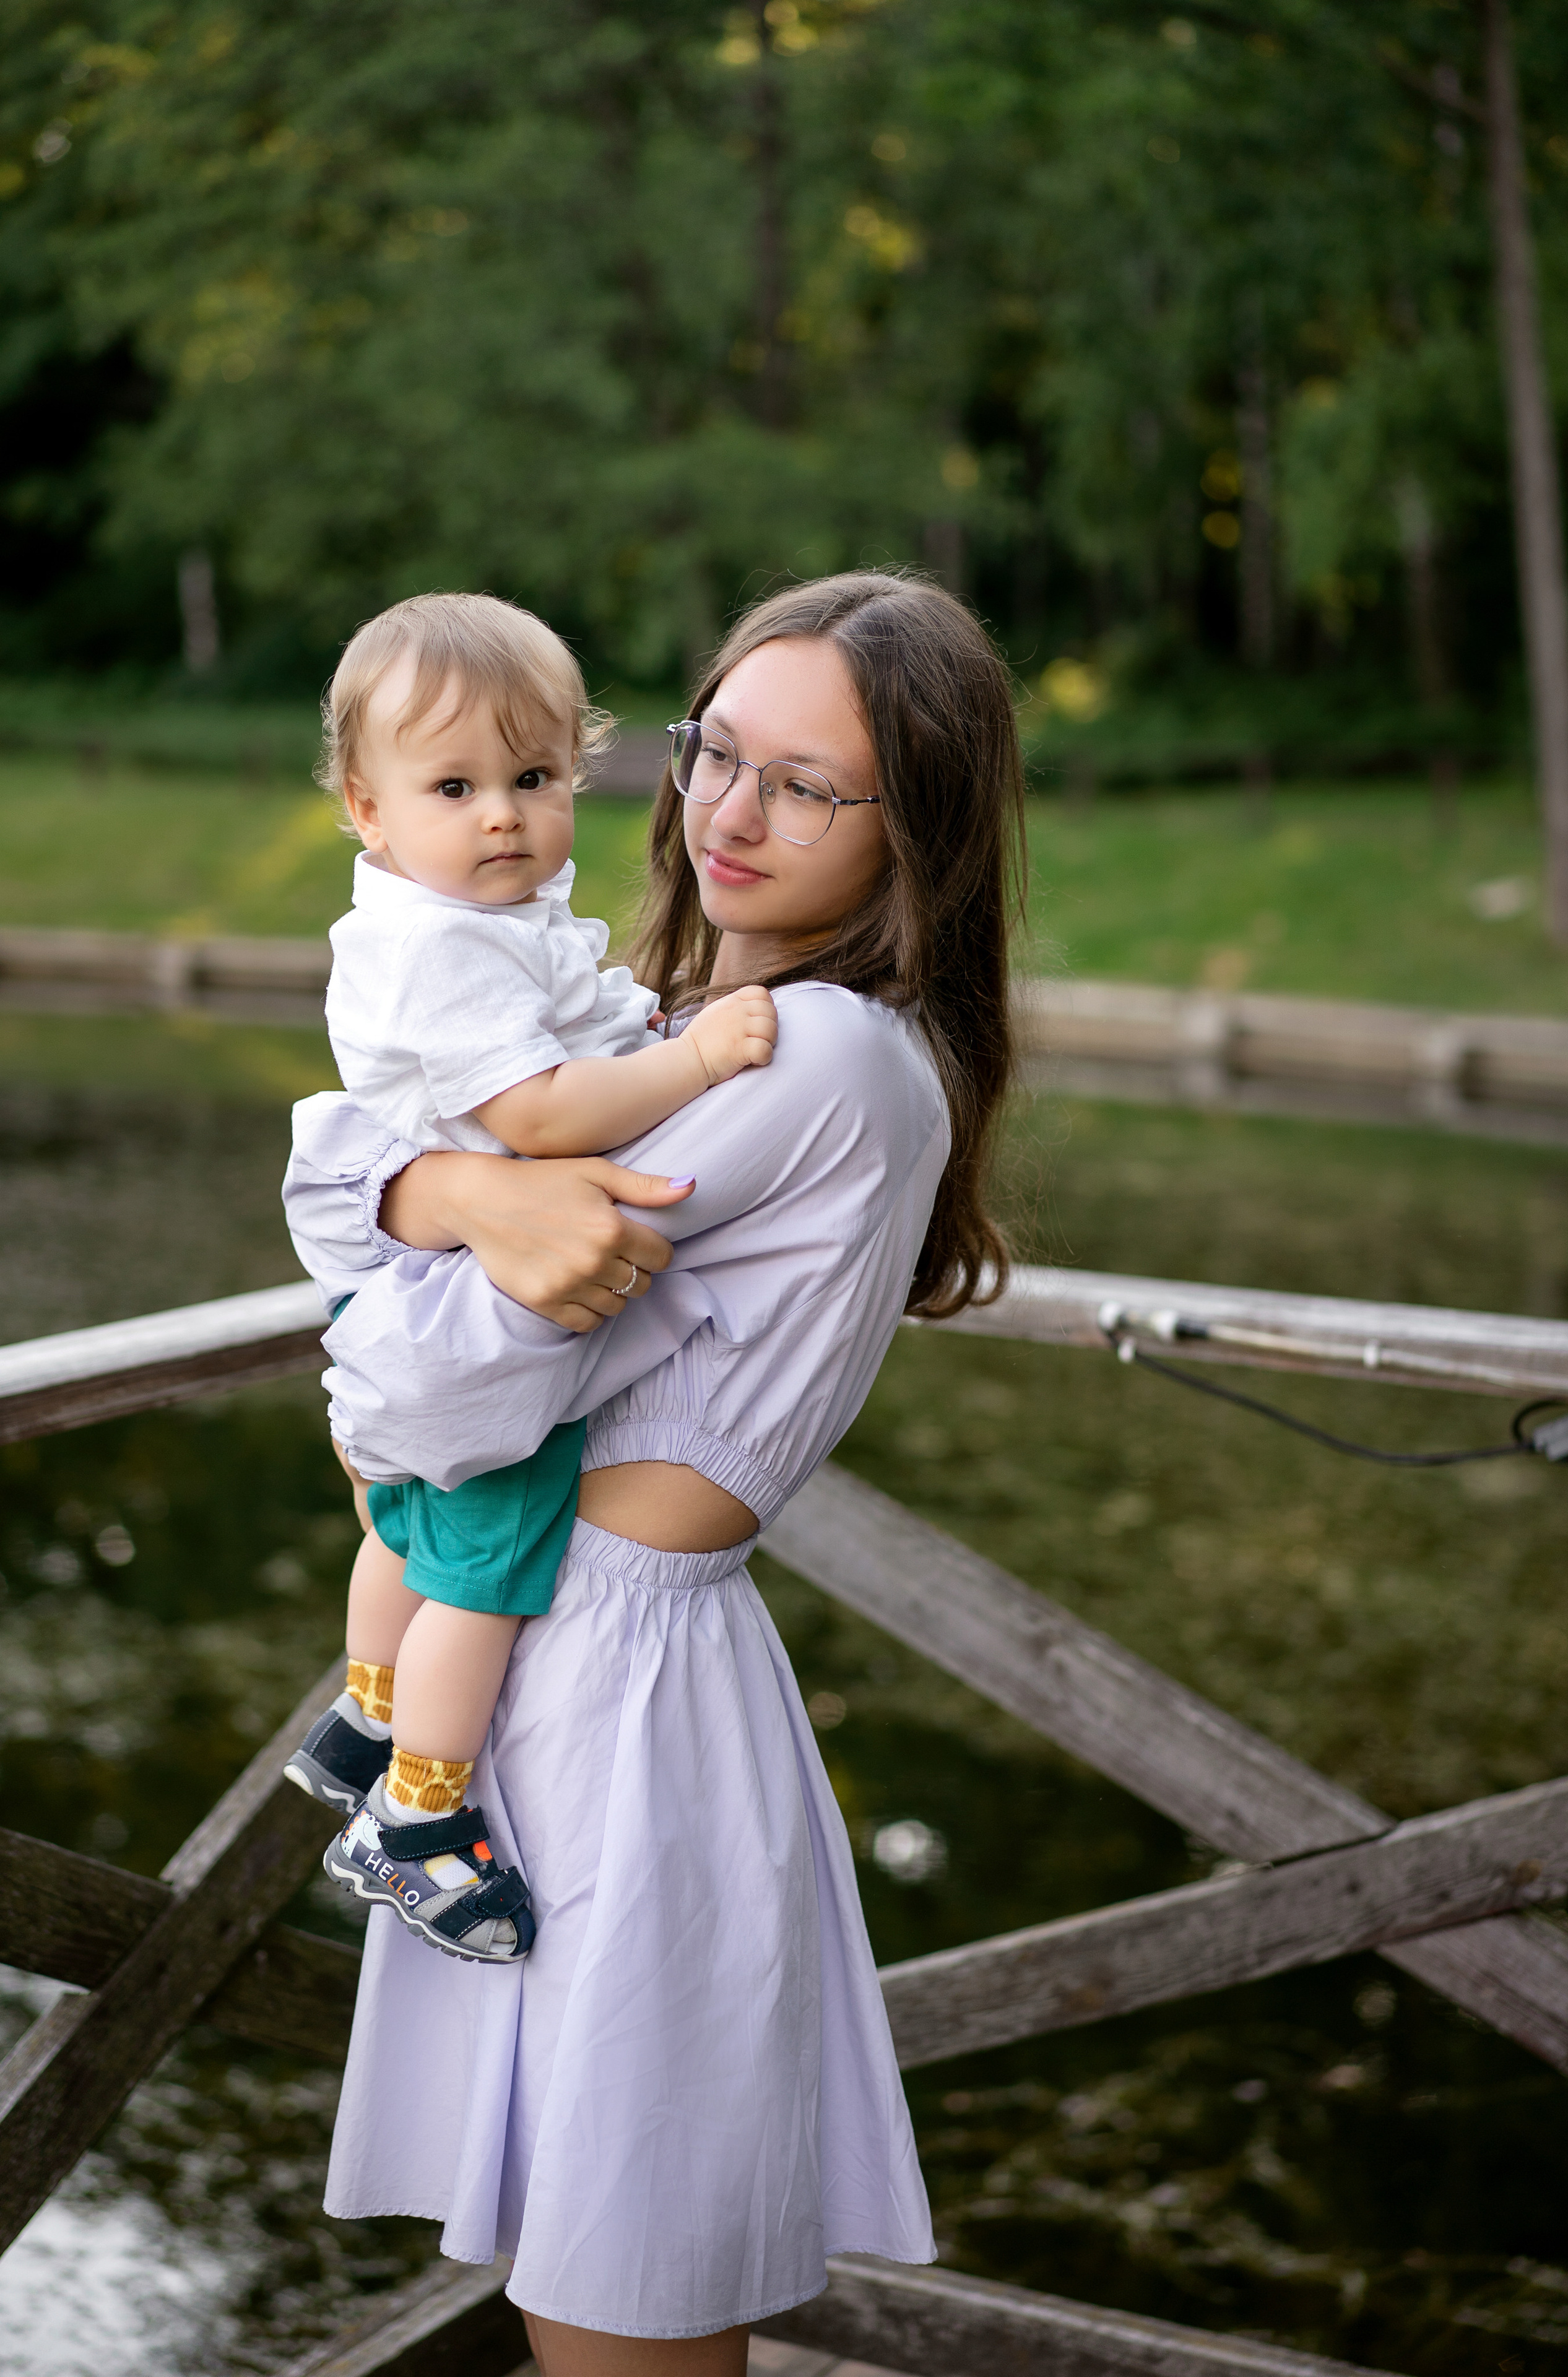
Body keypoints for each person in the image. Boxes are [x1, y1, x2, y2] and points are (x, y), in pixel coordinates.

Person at [282, 569, 1026, 2376]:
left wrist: (426, 1208)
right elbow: (348, 1174)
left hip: (616, 1690)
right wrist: (452, 1191)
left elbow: (413, 1386)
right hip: (551, 1664)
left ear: (915, 827)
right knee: (578, 2285)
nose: (731, 815)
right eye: (716, 754)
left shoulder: (816, 1057)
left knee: (621, 2309)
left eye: (811, 786)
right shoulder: (668, 1021)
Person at [282, 592, 777, 1968]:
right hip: (462, 1322)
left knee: (406, 1528)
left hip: (415, 1296)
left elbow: (569, 1026)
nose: (504, 814)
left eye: (536, 778)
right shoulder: (441, 947)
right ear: (366, 808)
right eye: (456, 787)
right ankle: (416, 1820)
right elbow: (546, 1114)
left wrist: (640, 1023)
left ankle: (364, 1717)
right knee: (489, 1575)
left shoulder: (469, 914)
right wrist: (699, 1057)